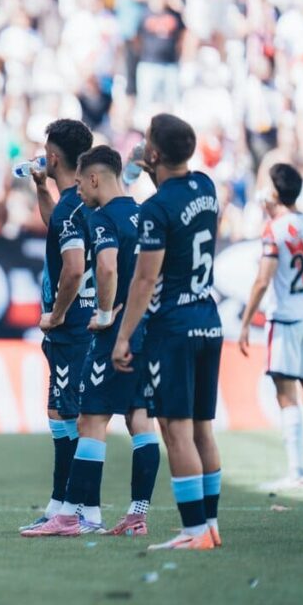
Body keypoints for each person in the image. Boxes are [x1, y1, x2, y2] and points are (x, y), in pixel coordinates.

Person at [22, 145, 159, 538]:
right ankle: (137, 513)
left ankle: (75, 515)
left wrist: (104, 313)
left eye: (80, 183)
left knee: (90, 420)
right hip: (146, 330)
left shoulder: (102, 218)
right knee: (139, 419)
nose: (77, 190)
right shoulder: (143, 213)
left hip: (114, 334)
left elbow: (106, 266)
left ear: (94, 178)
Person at [113, 113, 223, 551]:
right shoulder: (208, 188)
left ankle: (193, 531)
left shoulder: (156, 209)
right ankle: (210, 526)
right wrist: (151, 164)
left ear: (154, 153)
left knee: (175, 430)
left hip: (172, 326)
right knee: (202, 429)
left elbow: (144, 280)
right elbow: (179, 201)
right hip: (208, 319)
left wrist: (124, 335)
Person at [20, 119, 95, 533]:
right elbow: (57, 226)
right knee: (63, 410)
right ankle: (62, 503)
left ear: (52, 156)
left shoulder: (73, 204)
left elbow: (72, 270)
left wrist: (58, 313)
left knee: (69, 412)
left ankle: (73, 506)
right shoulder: (78, 200)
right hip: (85, 318)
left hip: (72, 322)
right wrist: (39, 188)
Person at [239, 163, 303, 491]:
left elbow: (262, 281)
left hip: (285, 318)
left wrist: (244, 323)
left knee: (286, 394)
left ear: (274, 192)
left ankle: (297, 471)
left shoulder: (275, 229)